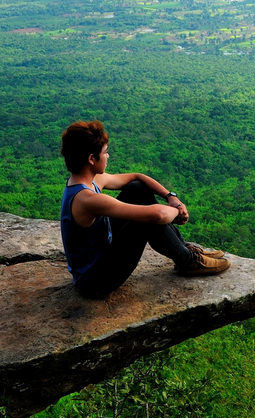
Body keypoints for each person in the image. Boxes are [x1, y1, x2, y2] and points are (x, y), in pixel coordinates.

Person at [60, 120, 229, 299]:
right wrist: (177, 211)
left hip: (103, 252)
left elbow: (137, 177)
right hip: (95, 282)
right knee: (146, 221)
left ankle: (183, 248)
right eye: (105, 152)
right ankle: (187, 261)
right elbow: (158, 215)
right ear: (92, 159)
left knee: (137, 188)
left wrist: (171, 197)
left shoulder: (87, 182)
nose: (108, 156)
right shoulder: (87, 199)